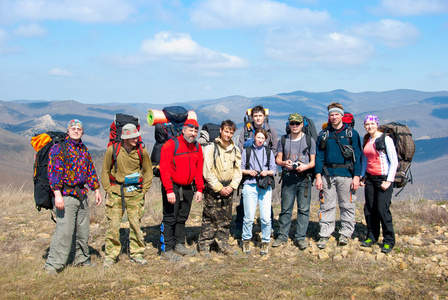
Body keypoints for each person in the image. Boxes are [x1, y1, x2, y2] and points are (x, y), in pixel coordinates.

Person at [43, 119, 102, 275]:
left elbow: (90, 170)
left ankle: (81, 259)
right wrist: (57, 195)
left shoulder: (83, 149)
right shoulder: (59, 148)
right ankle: (53, 265)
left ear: (82, 131)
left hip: (82, 195)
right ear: (68, 131)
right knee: (65, 231)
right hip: (65, 195)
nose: (76, 131)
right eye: (73, 128)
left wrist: (96, 189)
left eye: (79, 129)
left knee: (83, 231)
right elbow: (54, 173)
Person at [101, 124, 153, 268]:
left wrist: (144, 190)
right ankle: (111, 255)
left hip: (135, 193)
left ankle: (137, 253)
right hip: (116, 192)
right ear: (125, 138)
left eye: (136, 136)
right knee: (113, 225)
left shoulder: (142, 151)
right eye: (132, 137)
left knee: (136, 224)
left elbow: (148, 171)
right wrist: (108, 189)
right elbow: (105, 170)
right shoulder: (113, 150)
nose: (135, 139)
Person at [314, 102, 362, 249]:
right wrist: (318, 176)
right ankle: (325, 233)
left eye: (336, 114)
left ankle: (346, 234)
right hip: (328, 175)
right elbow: (319, 157)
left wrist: (357, 177)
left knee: (347, 205)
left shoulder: (351, 134)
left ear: (342, 115)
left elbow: (358, 156)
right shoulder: (323, 135)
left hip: (347, 175)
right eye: (331, 115)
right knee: (326, 206)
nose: (334, 117)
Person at [159, 119, 204, 261]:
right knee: (170, 218)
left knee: (182, 218)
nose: (193, 133)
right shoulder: (171, 144)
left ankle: (179, 244)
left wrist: (199, 188)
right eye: (190, 130)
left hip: (187, 188)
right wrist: (168, 189)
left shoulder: (197, 146)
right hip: (172, 186)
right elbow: (164, 168)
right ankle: (166, 249)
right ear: (183, 130)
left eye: (196, 131)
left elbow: (198, 168)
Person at [198, 120, 242, 257]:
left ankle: (223, 244)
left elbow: (238, 171)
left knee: (226, 218)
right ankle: (205, 245)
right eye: (226, 131)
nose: (228, 134)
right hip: (213, 188)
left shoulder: (235, 150)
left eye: (231, 132)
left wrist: (232, 187)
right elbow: (207, 171)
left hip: (228, 187)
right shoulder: (212, 148)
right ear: (221, 130)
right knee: (210, 217)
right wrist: (218, 187)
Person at [272, 113, 316, 250]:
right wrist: (285, 163)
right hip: (288, 177)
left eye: (297, 123)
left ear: (302, 125)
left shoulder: (309, 140)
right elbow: (278, 160)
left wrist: (305, 166)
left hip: (305, 178)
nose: (295, 126)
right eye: (292, 123)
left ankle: (300, 237)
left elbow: (313, 161)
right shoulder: (284, 140)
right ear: (289, 125)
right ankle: (282, 236)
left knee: (303, 209)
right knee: (286, 208)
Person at [235, 105, 278, 238]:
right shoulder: (245, 130)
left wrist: (266, 165)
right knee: (245, 202)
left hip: (265, 174)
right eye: (255, 116)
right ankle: (240, 228)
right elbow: (240, 148)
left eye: (260, 116)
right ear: (251, 117)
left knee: (266, 203)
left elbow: (274, 150)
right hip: (249, 173)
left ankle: (268, 229)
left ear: (264, 117)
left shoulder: (271, 131)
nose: (258, 118)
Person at [360, 115, 398, 253]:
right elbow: (365, 159)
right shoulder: (367, 140)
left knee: (382, 209)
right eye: (367, 124)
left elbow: (394, 161)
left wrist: (389, 180)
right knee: (370, 209)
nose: (369, 126)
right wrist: (362, 176)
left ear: (377, 124)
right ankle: (371, 236)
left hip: (383, 177)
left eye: (372, 124)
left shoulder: (385, 139)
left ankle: (388, 241)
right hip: (370, 178)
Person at [241, 128, 276, 256]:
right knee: (249, 217)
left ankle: (266, 241)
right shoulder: (247, 151)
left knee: (266, 218)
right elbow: (241, 168)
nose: (260, 140)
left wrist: (267, 172)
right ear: (254, 137)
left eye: (263, 138)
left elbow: (274, 169)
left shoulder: (268, 152)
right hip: (250, 185)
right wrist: (249, 172)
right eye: (258, 137)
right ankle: (246, 240)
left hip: (264, 186)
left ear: (265, 139)